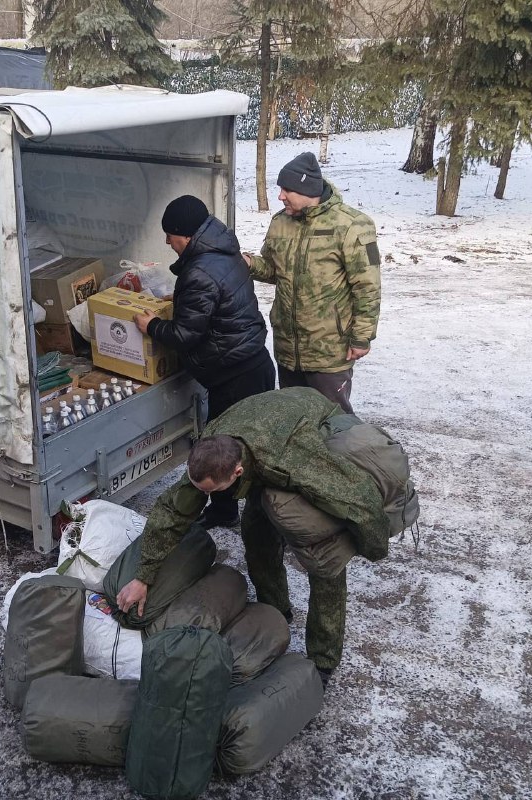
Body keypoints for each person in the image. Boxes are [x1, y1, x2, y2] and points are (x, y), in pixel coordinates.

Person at [115, 387, 390, 687]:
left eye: (212, 492)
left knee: (326, 559)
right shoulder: (213, 450)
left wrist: (374, 545)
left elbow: (356, 496)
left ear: (237, 472)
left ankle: (323, 660)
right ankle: (276, 611)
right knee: (256, 534)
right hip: (264, 433)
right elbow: (172, 514)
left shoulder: (294, 460)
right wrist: (144, 576)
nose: (204, 497)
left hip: (310, 422)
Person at [134, 195, 275, 529]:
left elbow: (185, 334)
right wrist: (181, 299)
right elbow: (215, 302)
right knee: (244, 444)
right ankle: (235, 509)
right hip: (251, 363)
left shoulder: (199, 271)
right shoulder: (223, 251)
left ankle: (238, 513)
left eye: (170, 235)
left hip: (234, 376)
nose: (167, 241)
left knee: (220, 448)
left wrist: (151, 325)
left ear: (186, 235)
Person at [243, 152, 381, 414]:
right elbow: (274, 270)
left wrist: (362, 338)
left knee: (333, 423)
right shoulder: (280, 223)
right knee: (293, 419)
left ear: (306, 189)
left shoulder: (352, 225)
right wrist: (249, 264)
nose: (280, 196)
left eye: (286, 190)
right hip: (287, 347)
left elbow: (367, 287)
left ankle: (340, 457)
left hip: (328, 351)